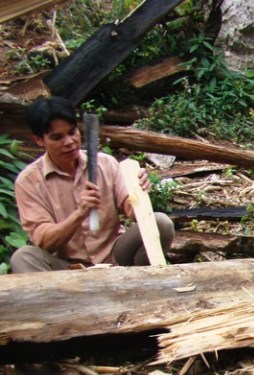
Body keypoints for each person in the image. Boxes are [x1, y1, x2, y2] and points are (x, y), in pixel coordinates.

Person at [10, 96, 175, 273]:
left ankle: (140, 281)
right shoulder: (29, 182)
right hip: (67, 269)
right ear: (39, 140)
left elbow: (131, 208)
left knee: (161, 223)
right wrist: (80, 213)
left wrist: (139, 193)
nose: (69, 142)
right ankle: (64, 292)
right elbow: (44, 242)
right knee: (23, 257)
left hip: (116, 259)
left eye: (72, 132)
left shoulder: (105, 163)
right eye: (57, 137)